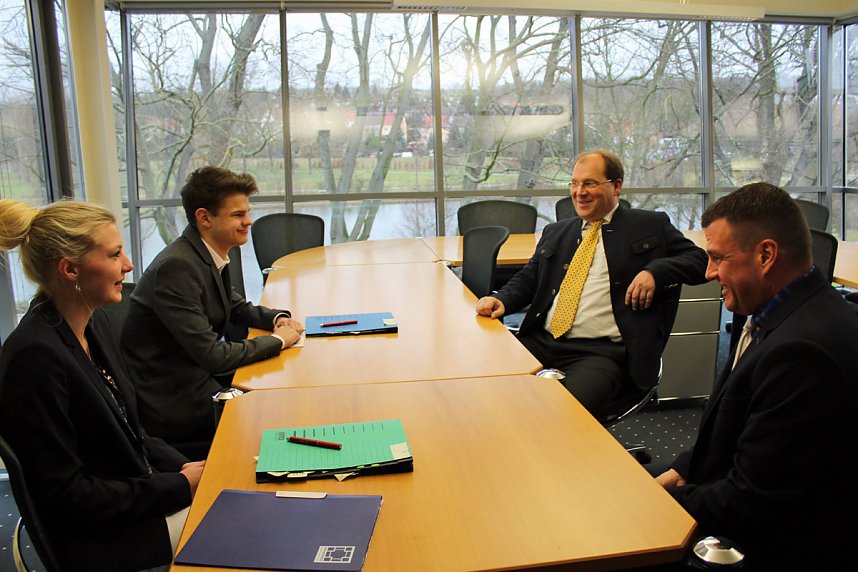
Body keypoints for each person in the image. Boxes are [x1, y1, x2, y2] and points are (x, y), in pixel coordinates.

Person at [654, 183, 858, 568]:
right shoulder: (775, 312)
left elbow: (753, 501)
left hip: (777, 541)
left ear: (766, 255)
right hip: (730, 482)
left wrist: (655, 501)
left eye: (717, 259)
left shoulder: (801, 353)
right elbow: (742, 425)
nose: (709, 273)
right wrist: (684, 467)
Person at [0, 199, 204, 572]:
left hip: (132, 502)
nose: (128, 265)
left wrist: (193, 469)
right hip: (105, 539)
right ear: (70, 269)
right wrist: (179, 486)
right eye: (114, 255)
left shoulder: (92, 323)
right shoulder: (34, 357)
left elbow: (132, 433)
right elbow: (69, 497)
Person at [476, 150, 708, 418]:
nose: (579, 192)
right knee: (484, 386)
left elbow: (699, 262)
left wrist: (655, 271)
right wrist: (501, 299)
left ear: (616, 186)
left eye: (590, 183)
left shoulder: (650, 225)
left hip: (601, 354)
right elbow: (529, 279)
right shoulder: (557, 232)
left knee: (562, 413)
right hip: (541, 340)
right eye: (574, 184)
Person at [121, 166, 304, 459]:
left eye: (247, 212)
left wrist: (276, 319)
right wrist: (279, 341)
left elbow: (234, 306)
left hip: (197, 377)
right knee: (284, 412)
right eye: (238, 215)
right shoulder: (177, 267)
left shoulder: (206, 253)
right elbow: (213, 356)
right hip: (175, 401)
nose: (249, 221)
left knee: (288, 394)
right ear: (204, 217)